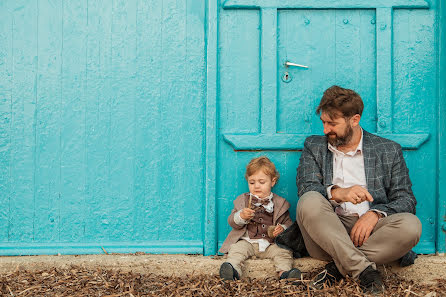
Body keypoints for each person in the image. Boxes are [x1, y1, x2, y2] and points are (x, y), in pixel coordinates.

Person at [296, 85, 422, 294]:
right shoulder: (314, 146)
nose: (326, 130)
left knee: (411, 225)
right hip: (328, 231)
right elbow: (306, 187)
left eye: (332, 123)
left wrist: (375, 214)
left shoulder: (388, 150)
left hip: (374, 234)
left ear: (354, 120)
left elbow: (406, 199)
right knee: (309, 200)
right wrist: (338, 193)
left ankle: (339, 267)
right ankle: (364, 271)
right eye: (324, 122)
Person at [219, 156, 301, 280]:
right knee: (236, 250)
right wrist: (240, 216)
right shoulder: (242, 201)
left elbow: (288, 224)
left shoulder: (280, 204)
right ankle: (232, 271)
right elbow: (232, 221)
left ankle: (284, 273)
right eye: (252, 182)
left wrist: (281, 228)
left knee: (284, 253)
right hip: (247, 242)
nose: (256, 186)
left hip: (270, 244)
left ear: (272, 182)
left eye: (262, 182)